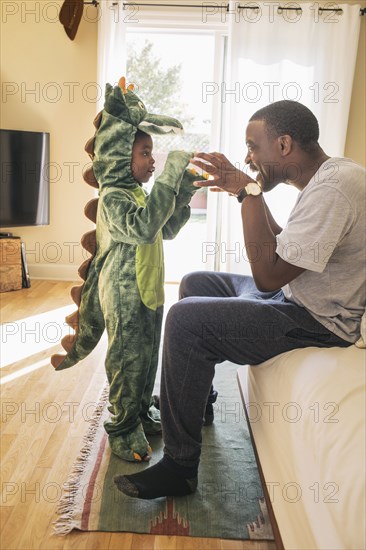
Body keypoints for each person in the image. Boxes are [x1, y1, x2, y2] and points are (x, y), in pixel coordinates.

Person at [113, 100, 366, 498]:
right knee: (197, 283)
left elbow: (267, 275)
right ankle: (201, 404)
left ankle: (180, 467)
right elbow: (290, 249)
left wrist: (248, 193)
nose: (249, 159)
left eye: (253, 147)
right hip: (290, 294)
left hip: (316, 318)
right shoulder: (329, 178)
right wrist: (247, 192)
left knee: (185, 319)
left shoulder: (334, 188)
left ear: (283, 145)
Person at [51, 78, 210, 462]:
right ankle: (122, 428)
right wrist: (170, 175)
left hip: (149, 290)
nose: (152, 161)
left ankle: (139, 412)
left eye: (153, 153)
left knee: (147, 358)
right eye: (145, 153)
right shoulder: (113, 199)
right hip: (123, 295)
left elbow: (165, 228)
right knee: (127, 361)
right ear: (122, 156)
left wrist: (183, 189)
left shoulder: (138, 193)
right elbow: (141, 227)